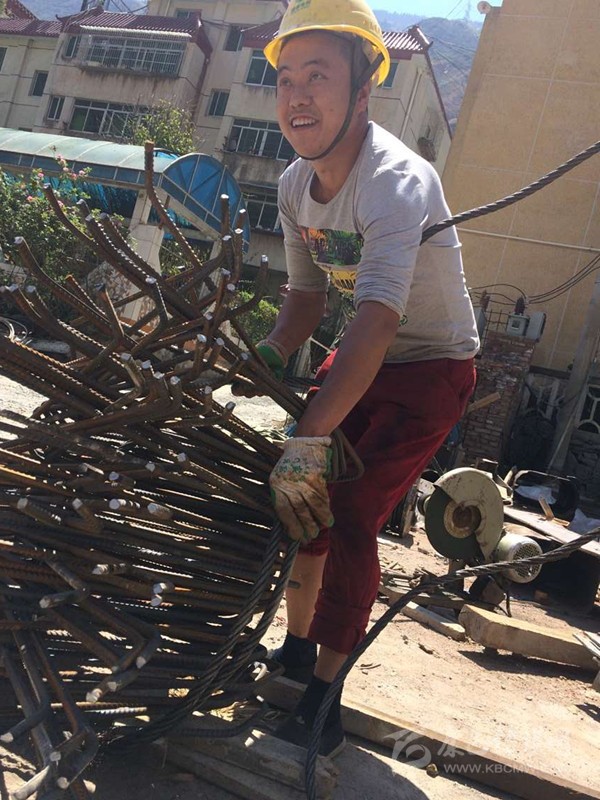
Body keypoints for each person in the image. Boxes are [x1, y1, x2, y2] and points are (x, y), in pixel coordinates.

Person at [254, 0, 480, 757]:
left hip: (431, 366)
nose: (297, 95)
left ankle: (325, 701)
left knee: (349, 511)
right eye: (286, 78)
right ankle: (297, 648)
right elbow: (305, 301)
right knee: (303, 500)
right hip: (361, 353)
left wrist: (311, 434)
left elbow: (379, 319)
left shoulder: (396, 181)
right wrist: (262, 360)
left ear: (363, 88)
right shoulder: (295, 185)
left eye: (317, 75)